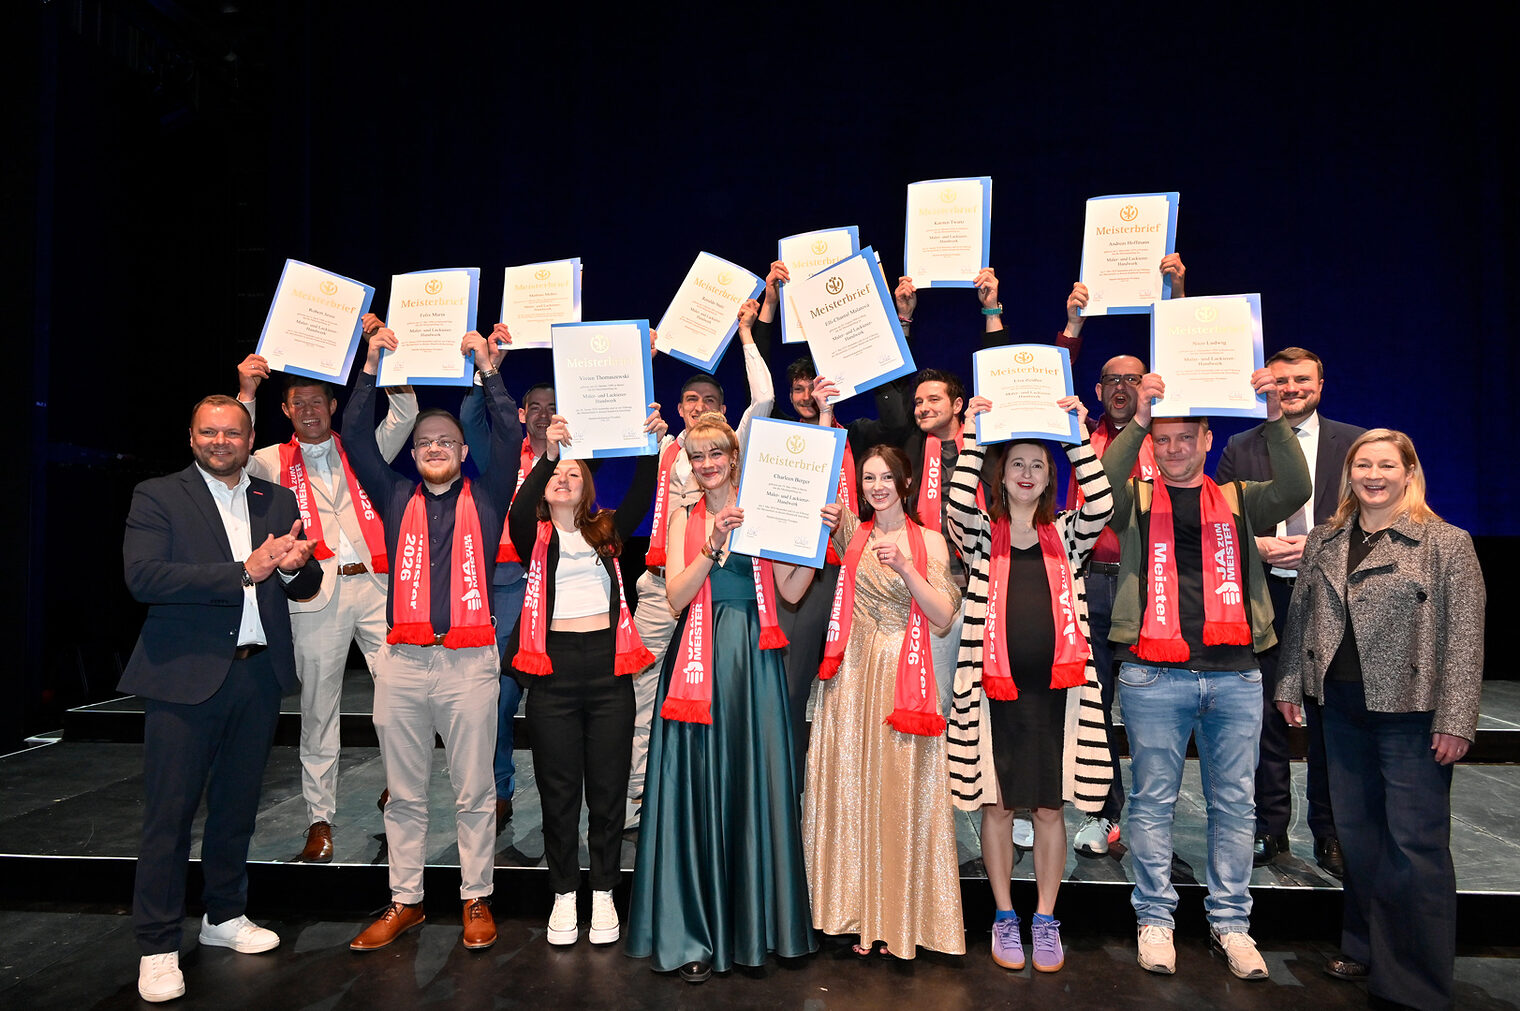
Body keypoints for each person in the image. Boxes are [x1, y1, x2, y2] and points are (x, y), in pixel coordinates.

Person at [1103, 369, 1309, 981]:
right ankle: (1155, 918)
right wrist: (1139, 418)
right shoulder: (1137, 500)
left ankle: (1231, 923)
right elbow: (1101, 486)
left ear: (1206, 439)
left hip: (1235, 675)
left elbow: (1296, 486)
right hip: (1153, 675)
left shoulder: (1241, 498)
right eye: (1162, 440)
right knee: (1152, 803)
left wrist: (1274, 415)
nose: (1173, 450)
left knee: (1235, 804)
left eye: (1184, 438)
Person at [1275, 429, 1484, 1010]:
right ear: (1349, 474)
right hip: (1339, 708)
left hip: (1413, 713)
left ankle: (1415, 980)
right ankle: (1366, 947)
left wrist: (1457, 718)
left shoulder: (1446, 543)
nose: (1373, 475)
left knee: (1415, 846)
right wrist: (1290, 683)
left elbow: (1466, 638)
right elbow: (1302, 615)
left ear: (1408, 473)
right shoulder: (1326, 538)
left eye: (1386, 465)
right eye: (1363, 464)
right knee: (1360, 839)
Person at [122, 395, 321, 1003]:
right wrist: (242, 570)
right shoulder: (159, 496)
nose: (220, 442)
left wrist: (293, 567)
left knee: (237, 809)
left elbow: (305, 582)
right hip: (183, 679)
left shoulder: (277, 499)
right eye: (208, 432)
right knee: (170, 817)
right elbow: (144, 577)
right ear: (191, 437)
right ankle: (157, 945)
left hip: (256, 677)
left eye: (231, 433)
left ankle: (224, 915)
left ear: (250, 439)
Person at [342, 325, 521, 953]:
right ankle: (407, 900)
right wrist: (370, 365)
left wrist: (490, 371)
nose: (435, 447)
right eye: (424, 442)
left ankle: (476, 897)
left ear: (464, 451)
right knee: (404, 793)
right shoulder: (394, 494)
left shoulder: (490, 494)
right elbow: (355, 436)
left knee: (475, 792)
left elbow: (510, 436)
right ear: (412, 453)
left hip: (470, 663)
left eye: (446, 440)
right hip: (403, 662)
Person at [625, 412, 817, 984]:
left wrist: (812, 542)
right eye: (697, 455)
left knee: (753, 783)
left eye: (716, 453)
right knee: (698, 788)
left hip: (754, 660)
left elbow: (790, 590)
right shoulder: (684, 518)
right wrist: (712, 543)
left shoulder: (766, 509)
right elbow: (677, 596)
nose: (707, 463)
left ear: (735, 458)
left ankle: (756, 927)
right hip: (698, 660)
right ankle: (695, 932)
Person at [236, 317, 419, 862]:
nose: (311, 410)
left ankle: (399, 787)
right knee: (318, 711)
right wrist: (247, 393)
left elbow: (405, 414)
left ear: (334, 406)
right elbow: (235, 456)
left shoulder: (363, 448)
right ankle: (320, 819)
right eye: (300, 403)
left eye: (319, 401)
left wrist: (381, 355)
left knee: (401, 697)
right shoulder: (270, 460)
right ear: (286, 410)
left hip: (378, 587)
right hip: (314, 595)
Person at [945, 395, 1114, 973]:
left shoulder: (1066, 534)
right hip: (992, 696)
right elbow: (954, 501)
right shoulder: (979, 534)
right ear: (1001, 474)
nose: (1025, 473)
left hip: (1056, 698)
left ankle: (1044, 918)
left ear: (1049, 477)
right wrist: (973, 437)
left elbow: (1103, 502)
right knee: (996, 807)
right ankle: (1002, 915)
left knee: (1048, 810)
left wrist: (1076, 438)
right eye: (1016, 463)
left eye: (1037, 465)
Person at [506, 405, 663, 946]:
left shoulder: (607, 531)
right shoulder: (533, 535)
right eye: (556, 474)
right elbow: (520, 507)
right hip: (552, 672)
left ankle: (603, 893)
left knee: (608, 790)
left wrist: (649, 443)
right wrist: (549, 455)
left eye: (574, 473)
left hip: (606, 669)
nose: (564, 478)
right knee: (558, 792)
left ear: (587, 486)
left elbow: (643, 491)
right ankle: (563, 893)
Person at [801, 446, 964, 959]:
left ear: (906, 482)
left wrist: (909, 569)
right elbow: (817, 470)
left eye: (886, 477)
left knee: (896, 792)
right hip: (849, 675)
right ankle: (852, 912)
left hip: (899, 673)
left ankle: (895, 917)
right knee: (850, 788)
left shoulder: (929, 542)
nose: (877, 486)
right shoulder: (854, 533)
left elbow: (943, 615)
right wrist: (824, 417)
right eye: (869, 478)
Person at [1216, 347, 1363, 876]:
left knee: (1330, 719)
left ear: (1320, 384)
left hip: (1335, 597)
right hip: (1264, 598)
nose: (1291, 388)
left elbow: (1373, 515)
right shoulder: (1240, 445)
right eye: (1280, 381)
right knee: (1262, 721)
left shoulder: (1355, 443)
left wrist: (1319, 545)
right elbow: (1220, 517)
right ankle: (1269, 827)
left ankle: (1332, 831)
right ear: (1264, 387)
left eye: (1302, 379)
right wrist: (1254, 545)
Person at [627, 300, 773, 827]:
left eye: (710, 400)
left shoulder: (733, 448)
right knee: (643, 696)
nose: (699, 407)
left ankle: (716, 800)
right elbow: (622, 407)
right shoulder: (665, 444)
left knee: (717, 698)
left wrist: (746, 335)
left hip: (719, 594)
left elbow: (765, 397)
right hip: (661, 589)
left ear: (724, 410)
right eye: (691, 399)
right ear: (680, 406)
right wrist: (640, 360)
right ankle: (639, 803)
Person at [1060, 254, 1185, 859]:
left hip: (1147, 586)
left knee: (1150, 709)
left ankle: (1153, 822)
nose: (1120, 387)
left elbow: (1187, 357)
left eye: (1132, 379)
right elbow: (1047, 379)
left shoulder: (1167, 437)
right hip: (1087, 584)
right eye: (1110, 379)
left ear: (1150, 385)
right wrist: (1074, 324)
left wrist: (1176, 292)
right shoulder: (1078, 436)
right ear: (1097, 389)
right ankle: (1103, 815)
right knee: (1094, 708)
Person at [460, 357, 557, 834]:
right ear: (521, 414)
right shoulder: (500, 454)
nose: (542, 415)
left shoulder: (573, 459)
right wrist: (486, 370)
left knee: (552, 704)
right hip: (502, 586)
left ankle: (560, 799)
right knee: (498, 698)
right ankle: (500, 791)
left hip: (555, 588)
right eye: (534, 407)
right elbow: (468, 418)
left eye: (551, 407)